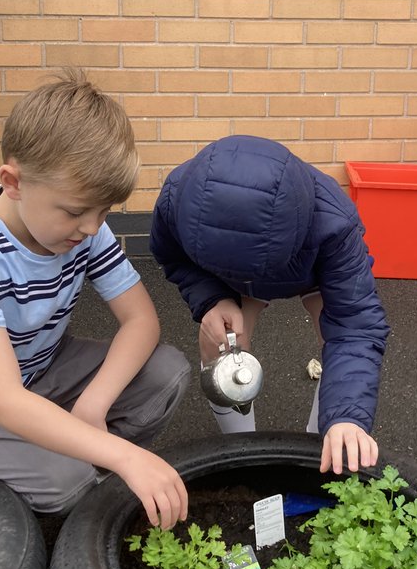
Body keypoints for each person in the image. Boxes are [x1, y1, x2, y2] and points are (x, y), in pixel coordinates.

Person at [0, 70, 191, 528]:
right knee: (66, 484)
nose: (92, 228)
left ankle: (75, 456)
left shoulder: (83, 231)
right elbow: (5, 400)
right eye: (78, 211)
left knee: (167, 372)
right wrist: (127, 454)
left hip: (42, 366)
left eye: (105, 212)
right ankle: (31, 481)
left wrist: (93, 407)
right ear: (13, 182)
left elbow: (141, 321)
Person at [149, 135, 390, 474]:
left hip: (307, 271)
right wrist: (212, 299)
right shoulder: (176, 199)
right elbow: (174, 257)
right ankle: (241, 453)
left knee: (331, 333)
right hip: (233, 274)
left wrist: (347, 416)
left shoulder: (334, 222)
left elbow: (355, 325)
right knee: (220, 344)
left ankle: (318, 448)